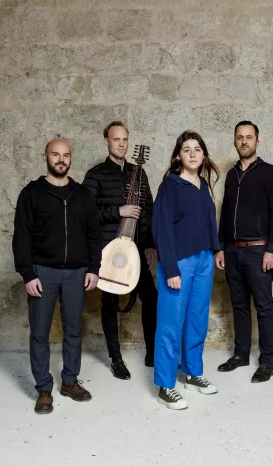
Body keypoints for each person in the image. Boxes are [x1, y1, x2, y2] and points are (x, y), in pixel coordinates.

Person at [12, 139, 101, 414]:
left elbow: (93, 235)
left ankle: (70, 381)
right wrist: (28, 273)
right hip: (43, 272)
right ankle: (43, 389)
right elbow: (21, 238)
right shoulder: (31, 193)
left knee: (74, 330)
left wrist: (93, 268)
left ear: (71, 158)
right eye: (55, 155)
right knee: (40, 332)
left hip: (76, 273)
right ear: (45, 157)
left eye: (65, 155)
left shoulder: (82, 194)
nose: (60, 159)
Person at [83, 121, 158, 380]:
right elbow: (86, 214)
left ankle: (152, 353)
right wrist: (118, 211)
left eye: (125, 139)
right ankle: (116, 359)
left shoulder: (139, 173)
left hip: (136, 250)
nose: (122, 144)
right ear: (106, 141)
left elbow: (148, 210)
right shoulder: (95, 175)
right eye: (116, 139)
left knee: (152, 298)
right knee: (110, 302)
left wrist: (150, 245)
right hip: (110, 251)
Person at [152, 131, 221, 410]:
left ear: (203, 155)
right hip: (178, 262)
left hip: (204, 259)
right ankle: (166, 386)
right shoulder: (170, 185)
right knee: (171, 324)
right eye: (186, 149)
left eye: (197, 149)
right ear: (178, 155)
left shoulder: (203, 185)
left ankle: (193, 373)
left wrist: (215, 251)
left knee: (197, 320)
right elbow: (161, 228)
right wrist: (170, 268)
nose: (192, 153)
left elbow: (207, 221)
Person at [215, 121, 273, 383]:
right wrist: (221, 247)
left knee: (264, 306)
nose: (244, 141)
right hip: (233, 252)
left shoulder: (270, 173)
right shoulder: (232, 175)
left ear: (258, 141)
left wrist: (272, 250)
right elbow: (225, 214)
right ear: (234, 141)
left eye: (249, 137)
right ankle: (241, 354)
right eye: (240, 137)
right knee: (239, 305)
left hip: (259, 251)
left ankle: (267, 361)